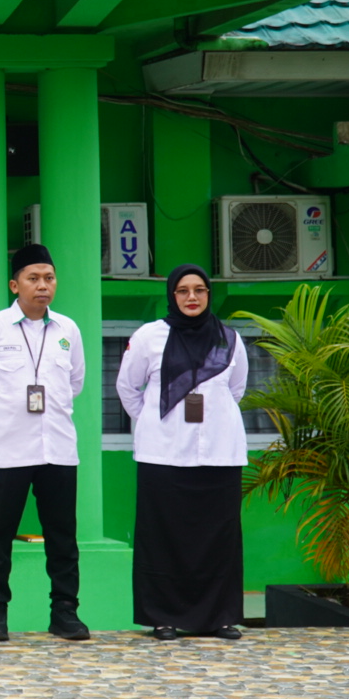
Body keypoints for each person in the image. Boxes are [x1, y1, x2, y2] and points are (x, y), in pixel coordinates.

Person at [0, 242, 89, 643]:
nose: (43, 286)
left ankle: (65, 613)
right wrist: (5, 415)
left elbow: (76, 382)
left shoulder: (68, 330)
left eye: (49, 278)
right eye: (33, 279)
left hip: (58, 450)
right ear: (15, 285)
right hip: (7, 452)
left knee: (63, 538)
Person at [115, 265, 249, 640]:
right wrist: (155, 425)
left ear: (209, 294)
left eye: (200, 290)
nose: (192, 297)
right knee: (163, 537)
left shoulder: (229, 339)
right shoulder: (149, 336)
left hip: (220, 454)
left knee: (217, 538)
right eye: (183, 291)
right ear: (172, 295)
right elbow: (128, 388)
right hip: (163, 455)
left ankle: (220, 617)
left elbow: (235, 390)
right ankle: (163, 618)